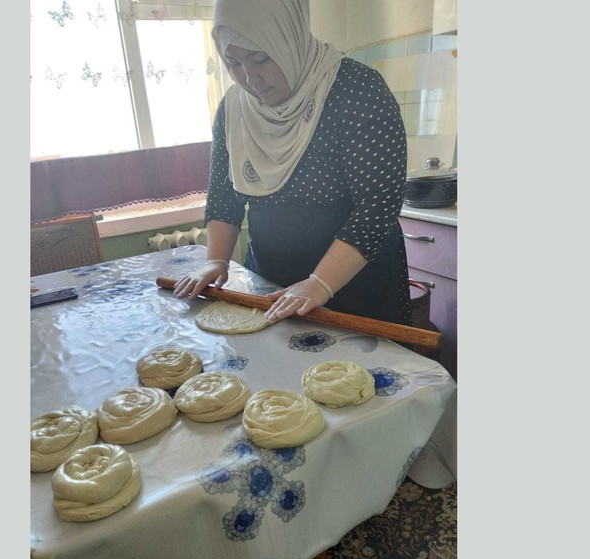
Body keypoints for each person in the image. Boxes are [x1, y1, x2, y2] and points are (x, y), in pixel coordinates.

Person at [172, 0, 412, 327]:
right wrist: (216, 261)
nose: (250, 78)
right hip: (271, 279)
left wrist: (320, 283)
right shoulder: (234, 109)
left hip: (354, 282)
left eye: (260, 58)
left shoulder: (356, 90)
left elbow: (378, 204)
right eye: (234, 62)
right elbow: (224, 197)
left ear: (289, 37)